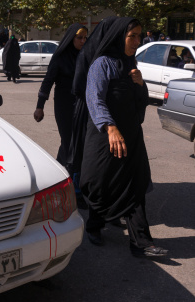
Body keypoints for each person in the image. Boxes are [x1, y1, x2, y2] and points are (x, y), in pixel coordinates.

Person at [80, 17, 168, 258]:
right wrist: (110, 128)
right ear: (120, 37)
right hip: (105, 137)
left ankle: (141, 242)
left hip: (131, 137)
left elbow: (139, 102)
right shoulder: (102, 64)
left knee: (135, 185)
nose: (138, 41)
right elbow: (94, 99)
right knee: (101, 183)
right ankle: (95, 226)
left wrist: (141, 85)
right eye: (133, 36)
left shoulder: (131, 64)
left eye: (140, 36)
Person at [33, 24, 88, 206]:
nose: (82, 41)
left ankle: (60, 177)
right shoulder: (60, 57)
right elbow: (48, 81)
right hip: (64, 107)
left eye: (85, 38)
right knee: (69, 143)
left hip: (82, 106)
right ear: (71, 38)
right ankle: (74, 189)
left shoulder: (85, 56)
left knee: (75, 146)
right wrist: (40, 106)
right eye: (79, 37)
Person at [69, 17, 118, 210]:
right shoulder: (89, 55)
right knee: (81, 150)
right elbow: (80, 87)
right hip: (84, 108)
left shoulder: (110, 55)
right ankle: (78, 190)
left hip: (100, 110)